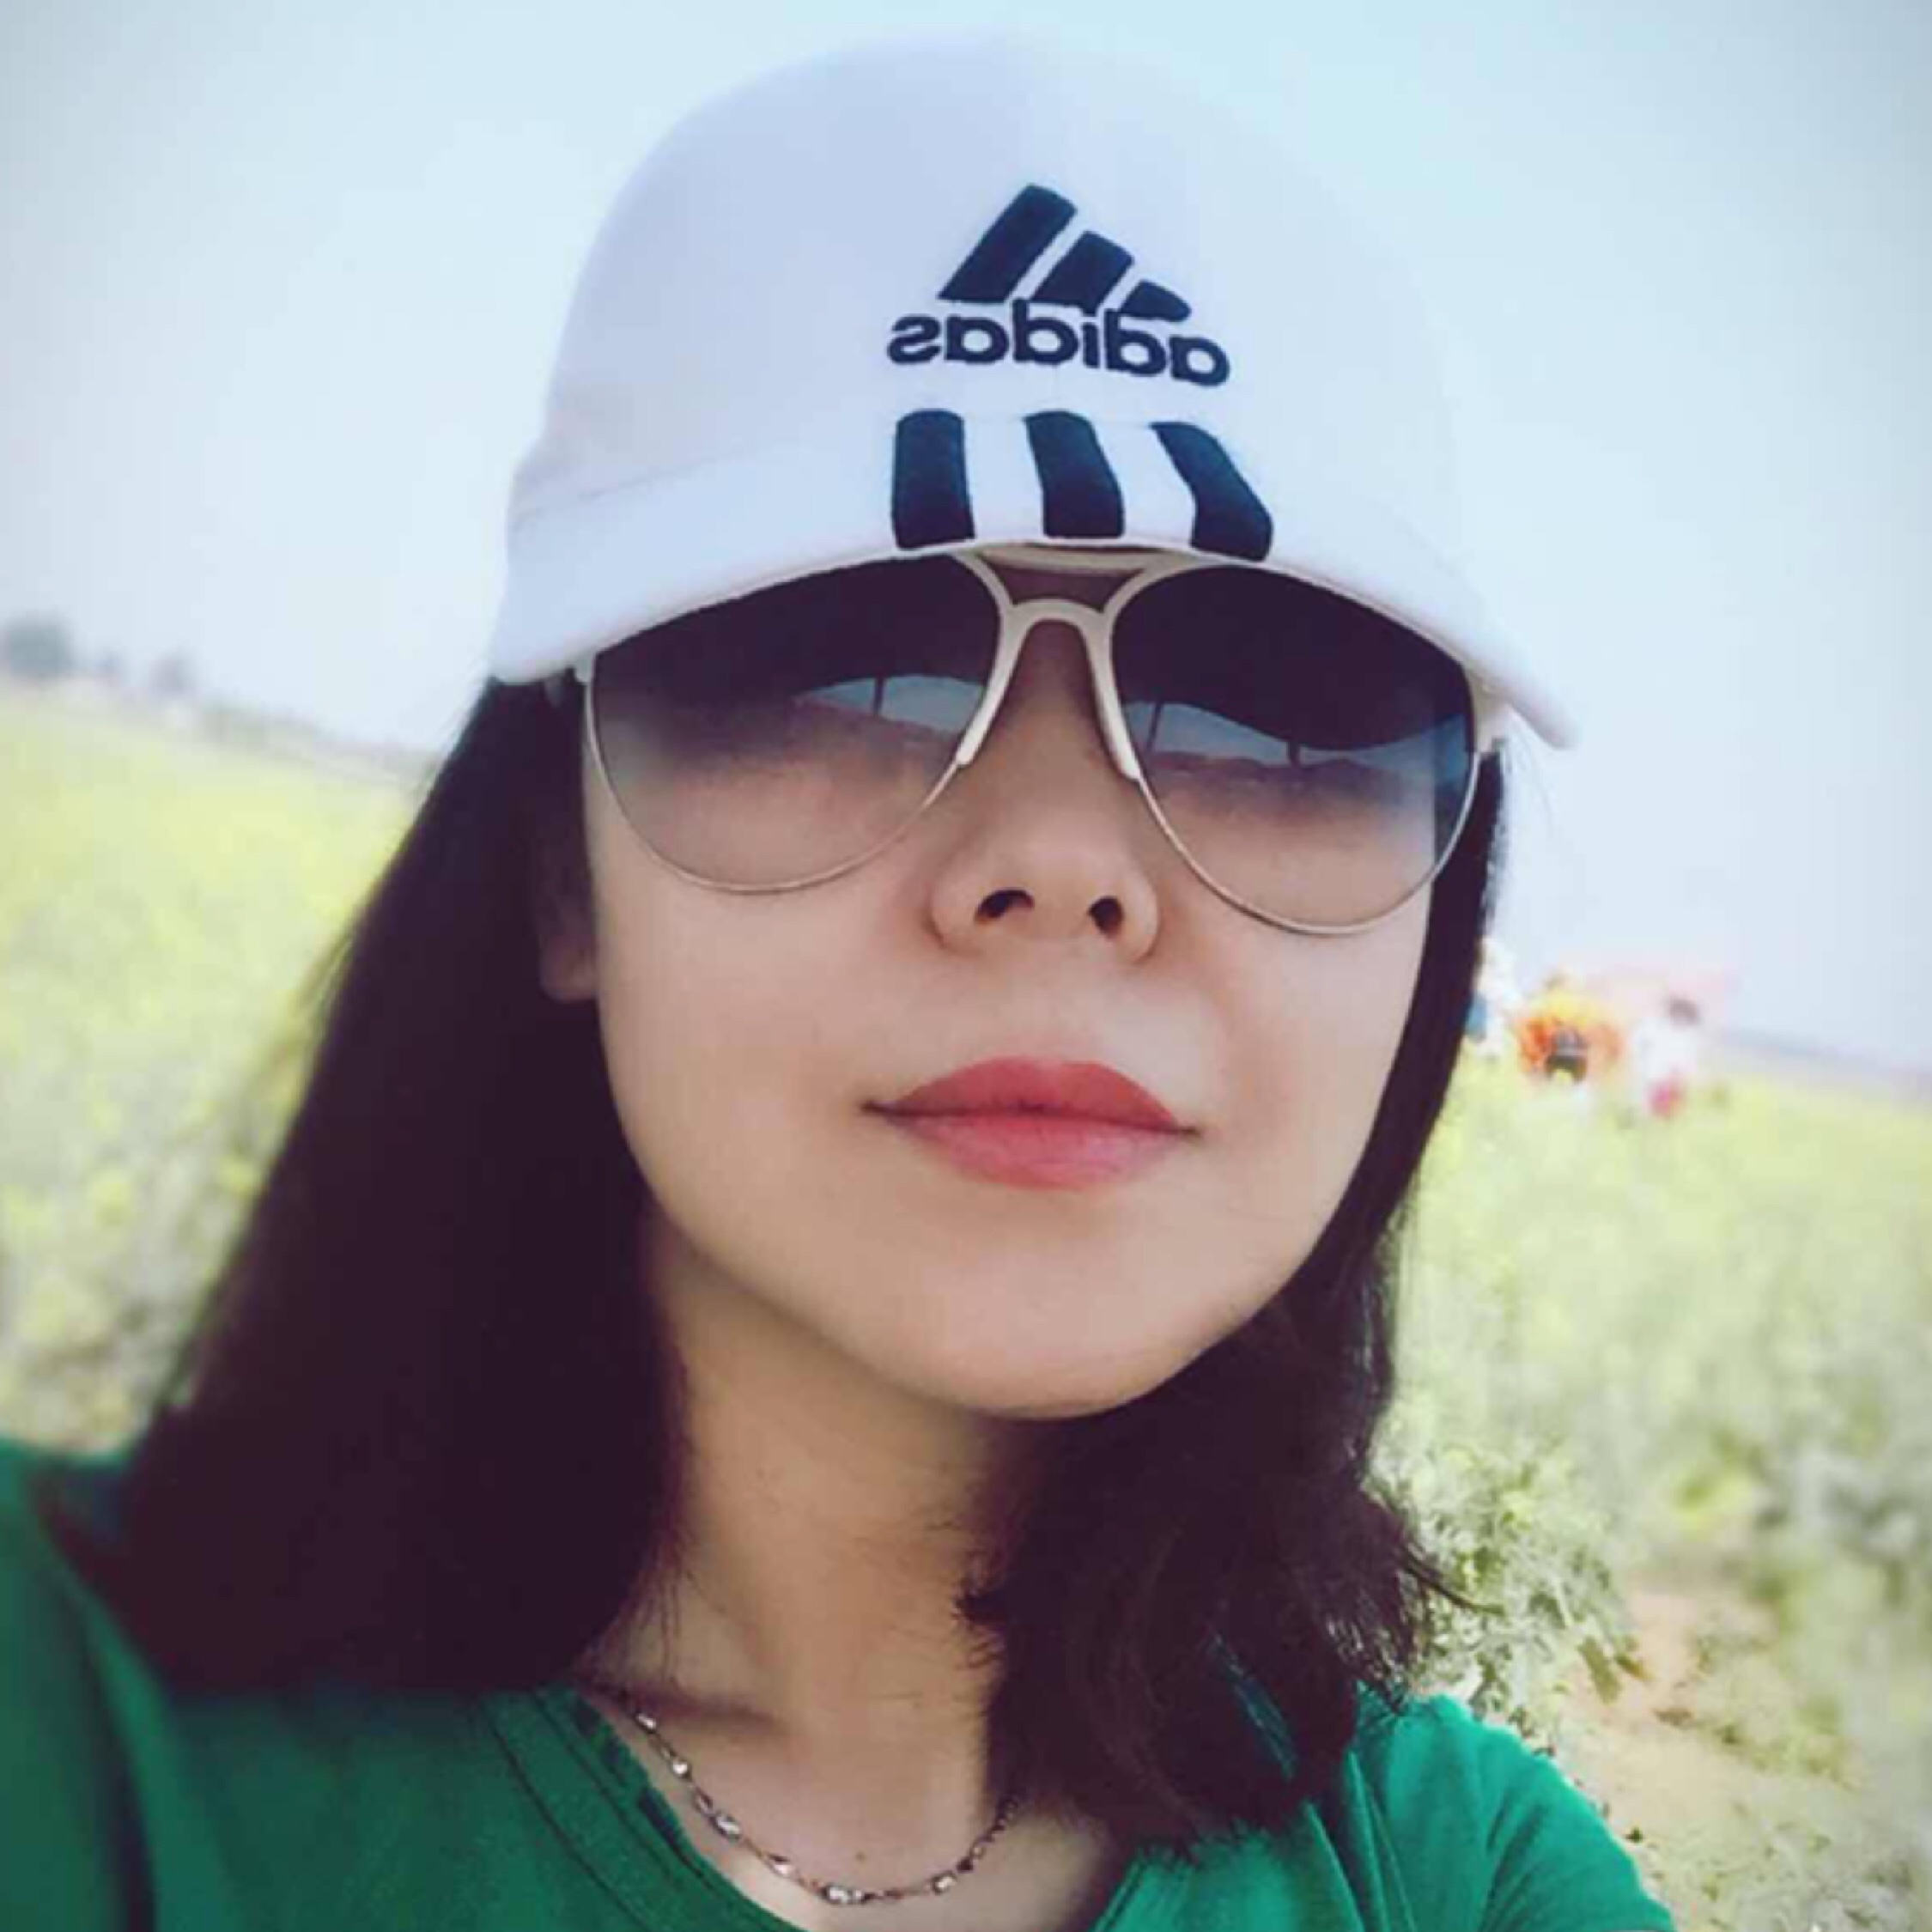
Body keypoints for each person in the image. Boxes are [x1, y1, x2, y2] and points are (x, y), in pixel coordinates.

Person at [0, 33, 1677, 1932]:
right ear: (556, 864)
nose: (1063, 859)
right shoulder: (71, 1725)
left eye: (1282, 707)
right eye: (842, 660)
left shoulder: (1456, 1877)